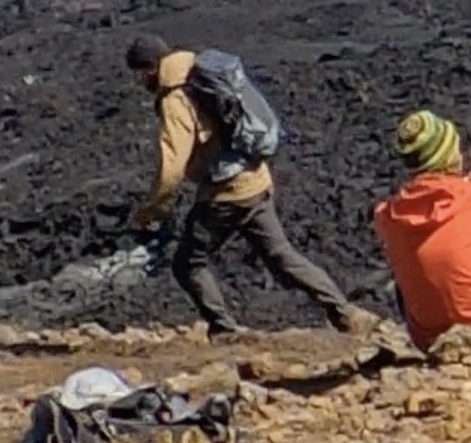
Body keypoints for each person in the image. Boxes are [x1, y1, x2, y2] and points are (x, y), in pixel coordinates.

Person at [121, 40, 371, 338]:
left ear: (149, 69)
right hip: (256, 178)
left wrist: (155, 207)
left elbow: (172, 165)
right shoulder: (202, 71)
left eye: (139, 75)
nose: (140, 83)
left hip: (226, 193)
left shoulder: (175, 98)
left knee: (188, 262)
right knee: (282, 256)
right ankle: (345, 313)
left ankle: (224, 330)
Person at [367, 113, 471, 349]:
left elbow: (383, 215)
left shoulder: (388, 216)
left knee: (407, 258)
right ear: (449, 157)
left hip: (427, 339)